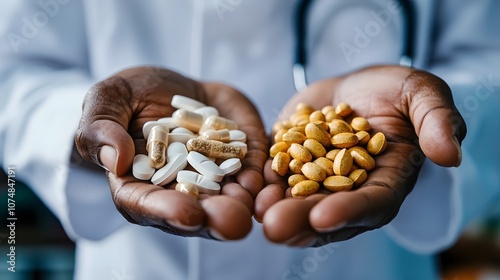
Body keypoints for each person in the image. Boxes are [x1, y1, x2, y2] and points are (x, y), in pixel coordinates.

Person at [1, 1, 499, 279]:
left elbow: (488, 57)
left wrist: (430, 110)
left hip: (365, 263)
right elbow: (15, 71)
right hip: (142, 263)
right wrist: (90, 130)